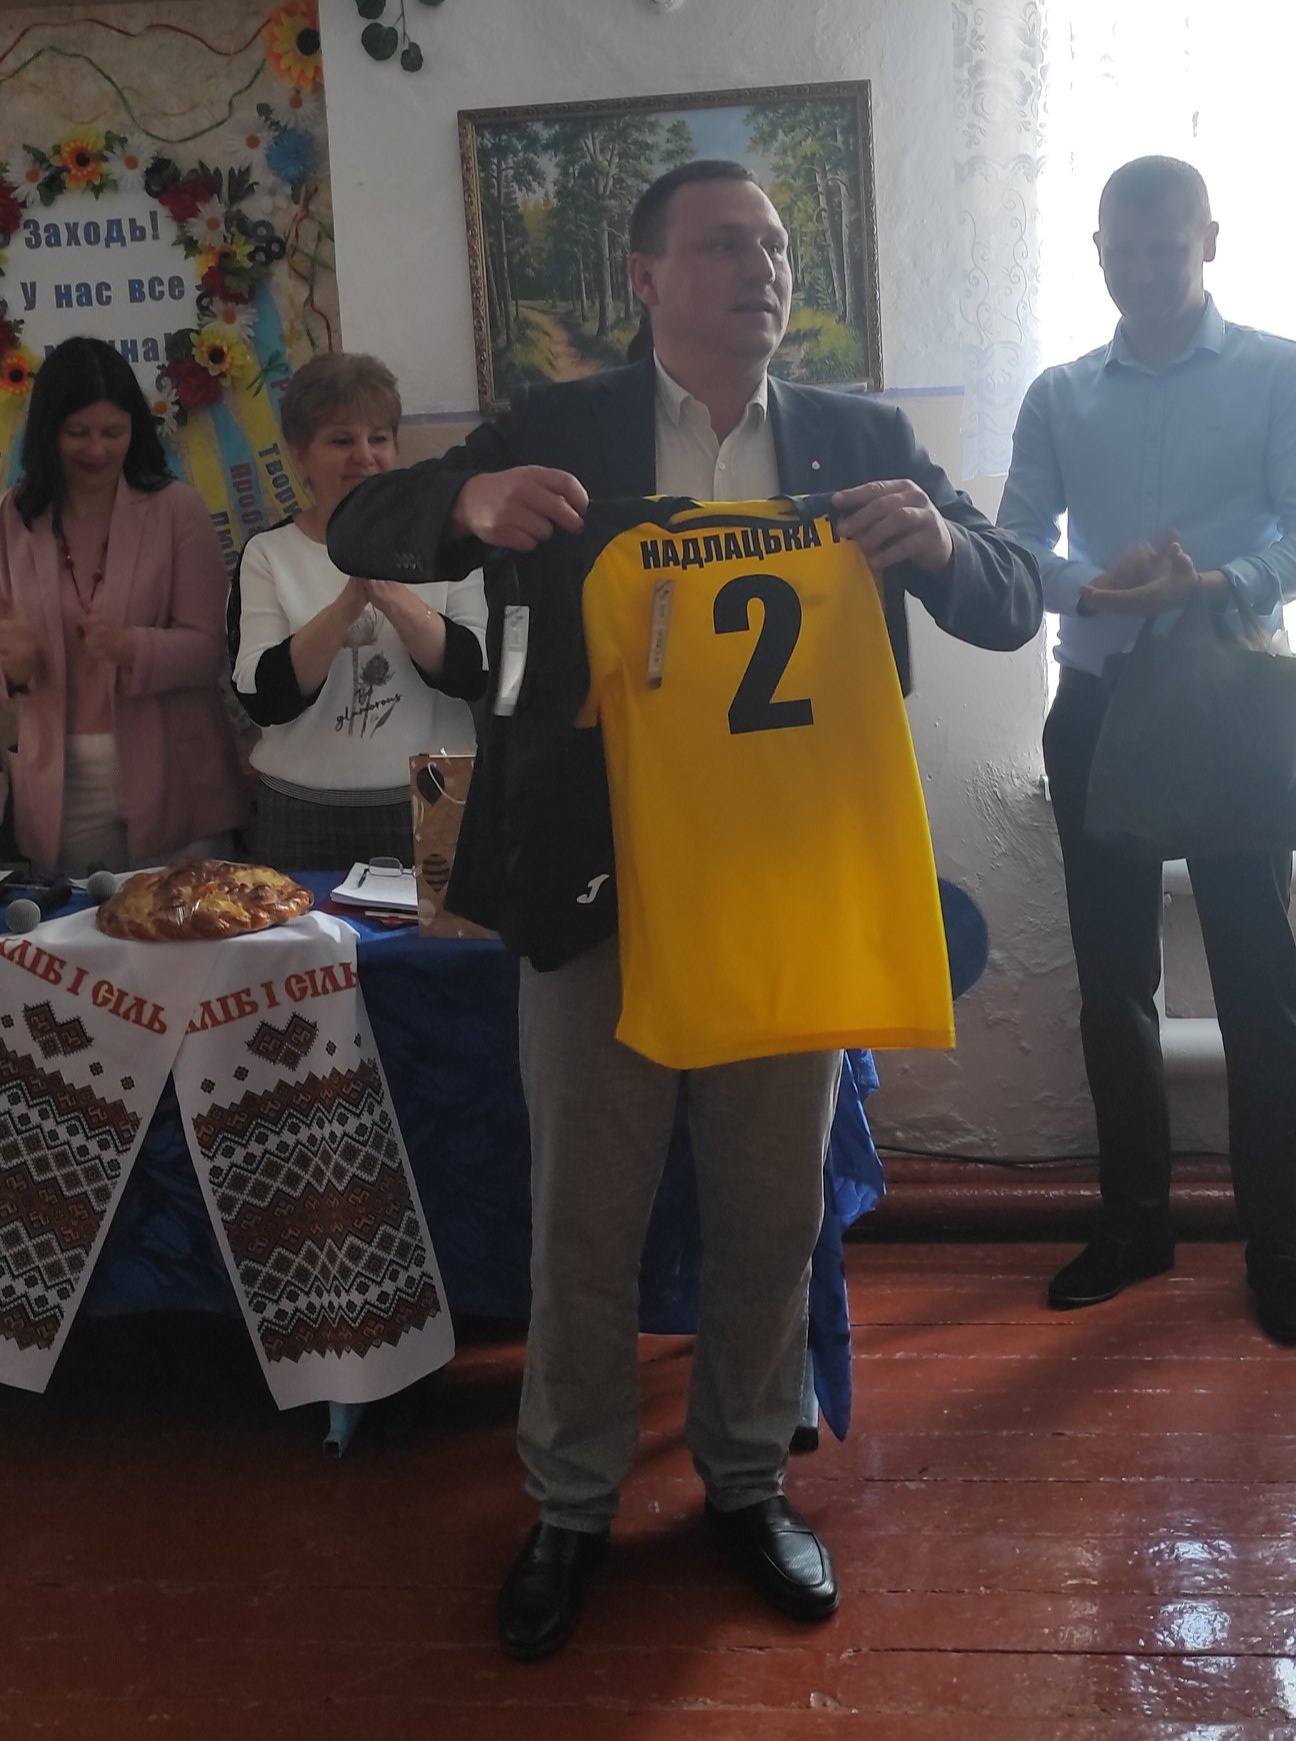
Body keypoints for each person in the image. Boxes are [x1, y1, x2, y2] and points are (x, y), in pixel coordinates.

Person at [329, 160, 1042, 1657]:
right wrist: (466, 499)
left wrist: (942, 544)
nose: (761, 267)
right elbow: (364, 523)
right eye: (725, 244)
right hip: (600, 890)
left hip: (786, 893)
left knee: (771, 1214)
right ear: (646, 278)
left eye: (774, 246)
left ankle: (746, 1480)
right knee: (583, 1222)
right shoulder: (561, 423)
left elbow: (1012, 594)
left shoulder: (861, 439)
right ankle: (571, 1503)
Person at [998, 156, 1296, 1337]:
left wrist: (1212, 584)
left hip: (1234, 704)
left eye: (1166, 249)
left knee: (1260, 985)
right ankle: (1135, 1225)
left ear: (1210, 241)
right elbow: (1015, 542)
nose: (1143, 271)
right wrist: (1099, 586)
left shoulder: (1279, 371)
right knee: (1113, 978)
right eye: (1122, 251)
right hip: (1100, 702)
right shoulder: (1058, 393)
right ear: (1097, 250)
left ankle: (1282, 1244)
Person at [0, 335, 247, 877]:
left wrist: (131, 646)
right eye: (78, 433)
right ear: (47, 432)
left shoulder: (176, 510)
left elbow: (209, 650)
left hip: (174, 777)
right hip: (61, 784)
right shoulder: (14, 516)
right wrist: (12, 670)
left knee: (183, 924)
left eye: (113, 432)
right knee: (77, 929)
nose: (97, 450)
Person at [229, 352, 487, 870]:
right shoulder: (267, 555)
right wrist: (348, 602)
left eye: (379, 439)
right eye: (341, 440)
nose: (365, 457)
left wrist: (389, 589)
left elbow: (473, 671)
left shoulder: (450, 547)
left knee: (446, 928)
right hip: (301, 808)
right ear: (300, 457)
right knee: (298, 929)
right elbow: (263, 696)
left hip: (438, 794)